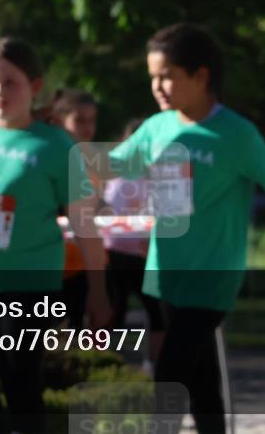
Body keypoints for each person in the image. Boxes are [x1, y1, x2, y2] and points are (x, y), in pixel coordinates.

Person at [109, 23, 265, 434]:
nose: (157, 87)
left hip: (212, 275)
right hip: (166, 271)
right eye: (153, 77)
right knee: (201, 380)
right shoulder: (156, 128)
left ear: (201, 76)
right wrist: (54, 154)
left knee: (170, 373)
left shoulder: (237, 134)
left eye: (167, 75)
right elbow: (108, 167)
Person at [0, 38, 111, 434]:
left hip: (29, 283)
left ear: (34, 87)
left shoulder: (55, 145)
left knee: (21, 381)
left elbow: (84, 225)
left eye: (11, 82)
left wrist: (98, 292)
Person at [102, 117, 164, 373]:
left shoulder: (158, 173)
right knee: (113, 313)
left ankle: (154, 367)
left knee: (158, 313)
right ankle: (104, 366)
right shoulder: (115, 174)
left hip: (147, 256)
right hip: (114, 253)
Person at [47, 88, 101, 328]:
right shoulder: (46, 157)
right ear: (59, 121)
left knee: (78, 336)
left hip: (81, 267)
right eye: (79, 120)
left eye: (92, 120)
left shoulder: (90, 161)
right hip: (49, 268)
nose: (87, 128)